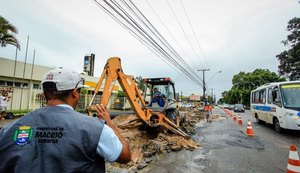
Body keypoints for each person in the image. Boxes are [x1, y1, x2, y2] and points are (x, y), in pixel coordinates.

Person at [0, 67, 131, 173]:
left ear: (45, 93)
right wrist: (110, 124)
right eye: (79, 92)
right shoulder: (95, 128)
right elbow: (125, 156)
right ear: (74, 93)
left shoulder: (8, 130)